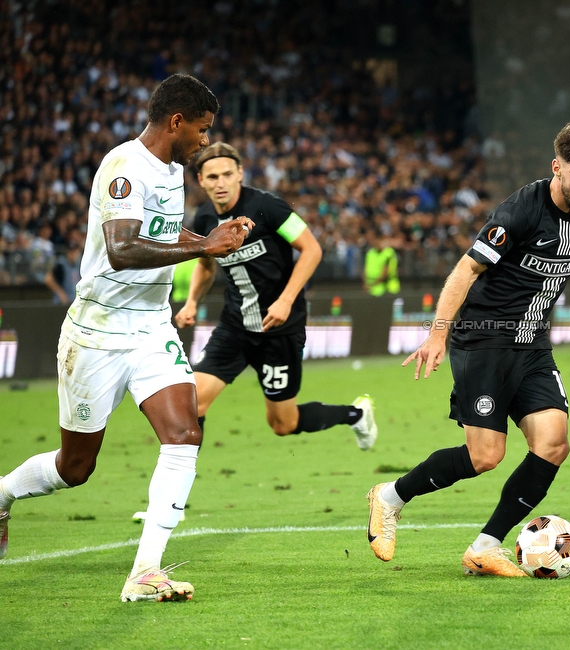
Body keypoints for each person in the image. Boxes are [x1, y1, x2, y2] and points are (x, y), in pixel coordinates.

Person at [365, 121, 570, 576]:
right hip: (483, 341)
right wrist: (438, 333)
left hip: (532, 346)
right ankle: (390, 496)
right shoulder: (520, 211)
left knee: (553, 443)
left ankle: (485, 547)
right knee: (485, 457)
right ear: (556, 167)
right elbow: (464, 272)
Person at [0, 73, 254, 602]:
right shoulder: (123, 166)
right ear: (176, 121)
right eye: (202, 130)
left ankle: (145, 573)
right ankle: (3, 494)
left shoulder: (167, 171)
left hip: (150, 328)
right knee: (76, 468)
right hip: (96, 333)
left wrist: (208, 240)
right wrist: (202, 249)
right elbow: (122, 247)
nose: (205, 142)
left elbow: (160, 233)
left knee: (184, 433)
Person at [174, 143, 377, 447]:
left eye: (227, 174)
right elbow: (205, 264)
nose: (220, 183)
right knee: (192, 405)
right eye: (212, 177)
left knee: (283, 423)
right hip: (234, 327)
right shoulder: (204, 219)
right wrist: (192, 302)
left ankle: (356, 415)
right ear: (200, 180)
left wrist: (286, 299)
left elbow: (312, 249)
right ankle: (179, 485)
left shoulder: (269, 207)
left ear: (240, 174)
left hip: (279, 329)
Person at [362, 228, 400, 296]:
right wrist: (366, 284)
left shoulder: (388, 253)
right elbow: (365, 269)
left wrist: (371, 285)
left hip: (387, 288)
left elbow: (385, 273)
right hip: (372, 288)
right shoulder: (370, 253)